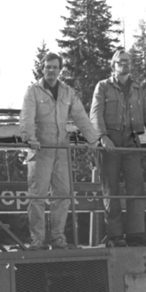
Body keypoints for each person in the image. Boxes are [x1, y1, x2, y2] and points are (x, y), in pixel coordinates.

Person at [19, 53, 100, 250]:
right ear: (42, 68)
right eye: (48, 67)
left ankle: (57, 238)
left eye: (55, 67)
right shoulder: (33, 91)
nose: (51, 71)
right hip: (41, 148)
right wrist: (30, 138)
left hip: (61, 148)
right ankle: (37, 239)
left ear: (60, 69)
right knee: (37, 195)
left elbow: (80, 115)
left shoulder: (67, 92)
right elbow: (27, 116)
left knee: (63, 194)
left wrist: (93, 139)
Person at [90, 49, 146, 247]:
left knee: (137, 188)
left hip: (131, 144)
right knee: (111, 190)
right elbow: (95, 114)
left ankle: (135, 234)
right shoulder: (103, 87)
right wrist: (103, 137)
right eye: (120, 61)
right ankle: (115, 236)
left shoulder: (137, 89)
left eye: (127, 61)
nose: (125, 64)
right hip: (110, 145)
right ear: (113, 65)